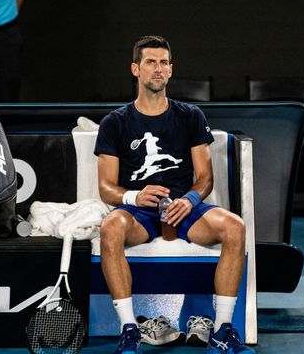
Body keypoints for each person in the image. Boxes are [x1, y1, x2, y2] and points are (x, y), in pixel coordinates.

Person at [95, 36, 254, 354]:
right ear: (135, 69)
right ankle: (129, 331)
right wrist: (134, 197)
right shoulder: (115, 122)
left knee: (234, 227)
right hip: (140, 213)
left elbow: (205, 178)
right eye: (151, 62)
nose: (158, 68)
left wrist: (190, 200)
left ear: (171, 70)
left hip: (184, 208)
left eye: (164, 62)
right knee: (110, 228)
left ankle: (223, 330)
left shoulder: (191, 116)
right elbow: (106, 187)